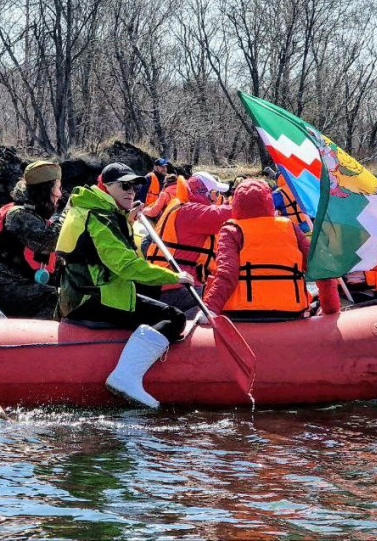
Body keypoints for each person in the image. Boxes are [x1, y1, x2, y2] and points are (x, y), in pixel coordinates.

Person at [55, 162, 194, 409]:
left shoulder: (92, 208)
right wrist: (174, 277)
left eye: (135, 186)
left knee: (151, 292)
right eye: (124, 186)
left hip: (77, 296)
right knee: (174, 318)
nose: (132, 191)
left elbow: (101, 255)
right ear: (105, 186)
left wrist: (126, 221)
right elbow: (125, 265)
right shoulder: (101, 218)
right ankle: (126, 377)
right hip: (93, 301)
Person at [202, 178, 339, 319]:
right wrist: (330, 308)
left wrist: (210, 308)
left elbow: (227, 273)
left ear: (236, 204)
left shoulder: (231, 229)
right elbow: (319, 268)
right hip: (291, 312)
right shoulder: (290, 227)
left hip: (241, 314)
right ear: (269, 202)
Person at [0, 160, 64, 318]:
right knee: (56, 299)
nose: (60, 195)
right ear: (45, 190)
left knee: (70, 293)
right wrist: (68, 214)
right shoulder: (17, 215)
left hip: (24, 282)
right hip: (0, 284)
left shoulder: (39, 219)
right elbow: (50, 241)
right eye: (57, 188)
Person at [143, 171, 232, 312]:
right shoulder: (189, 212)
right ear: (203, 192)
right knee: (224, 297)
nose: (216, 199)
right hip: (176, 289)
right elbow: (227, 215)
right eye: (215, 194)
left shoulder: (183, 207)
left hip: (175, 286)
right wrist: (252, 202)